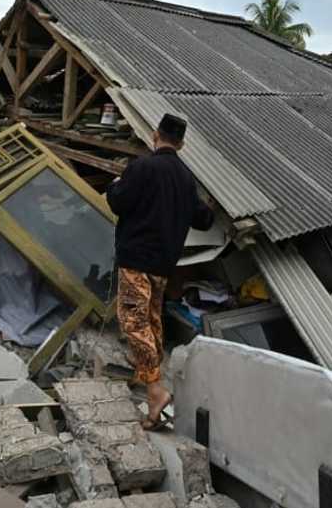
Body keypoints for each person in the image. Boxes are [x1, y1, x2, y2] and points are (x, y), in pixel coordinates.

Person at [105, 113, 214, 429]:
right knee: (152, 317)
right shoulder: (185, 176)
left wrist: (114, 187)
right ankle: (147, 369)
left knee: (133, 320)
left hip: (137, 258)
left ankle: (154, 389)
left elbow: (118, 203)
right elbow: (203, 219)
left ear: (155, 136)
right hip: (163, 263)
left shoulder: (143, 167)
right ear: (181, 144)